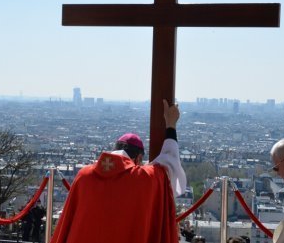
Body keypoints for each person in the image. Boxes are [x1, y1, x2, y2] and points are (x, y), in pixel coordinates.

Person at [50, 99, 186, 243]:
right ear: (139, 158)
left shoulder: (84, 175)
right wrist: (171, 125)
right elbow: (169, 164)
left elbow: (67, 224)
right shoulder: (143, 179)